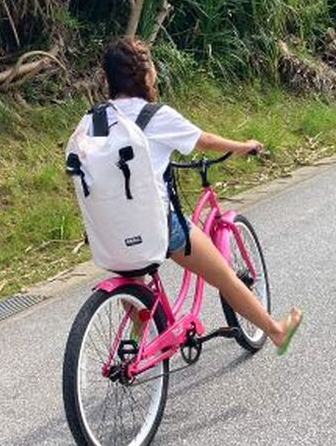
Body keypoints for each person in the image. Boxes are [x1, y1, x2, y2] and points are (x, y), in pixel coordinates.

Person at [102, 36, 302, 353]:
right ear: (145, 74)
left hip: (109, 230)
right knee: (224, 275)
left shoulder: (95, 119)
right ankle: (276, 331)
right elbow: (204, 140)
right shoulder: (154, 115)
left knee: (136, 281)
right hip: (157, 226)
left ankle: (134, 350)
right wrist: (243, 146)